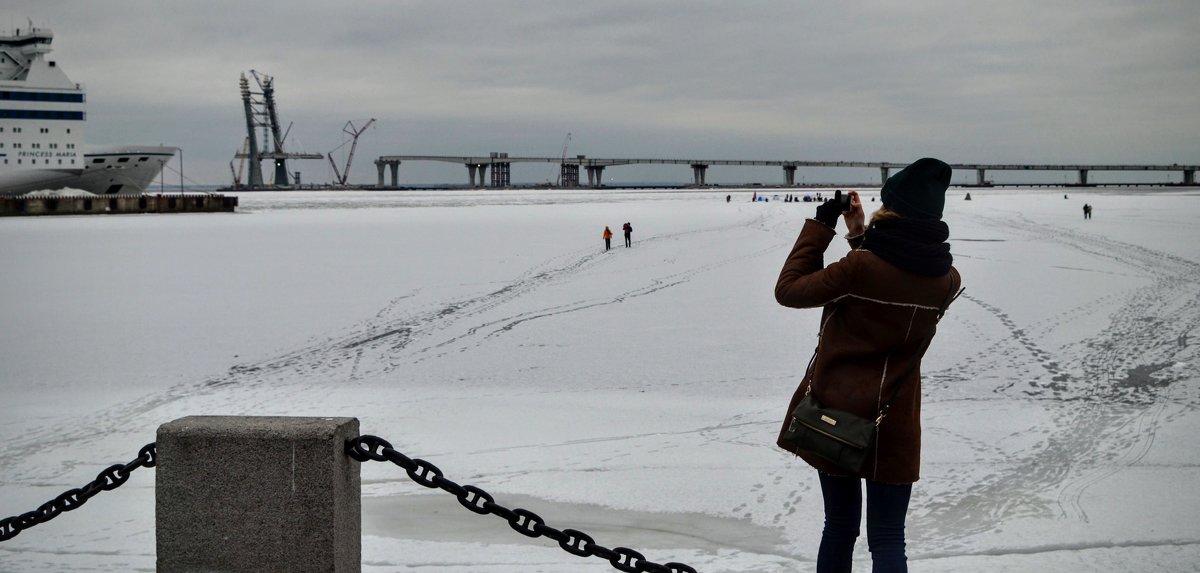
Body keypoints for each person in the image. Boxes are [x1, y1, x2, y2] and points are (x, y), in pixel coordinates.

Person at [774, 157, 962, 573]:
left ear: (890, 209)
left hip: (838, 415)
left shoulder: (860, 267)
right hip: (895, 421)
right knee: (889, 538)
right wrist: (858, 235)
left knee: (839, 528)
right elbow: (892, 273)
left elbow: (788, 290)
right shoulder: (948, 280)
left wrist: (822, 226)